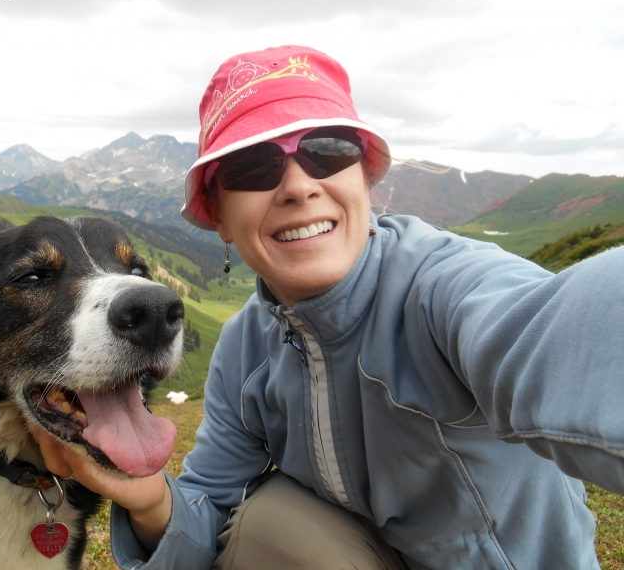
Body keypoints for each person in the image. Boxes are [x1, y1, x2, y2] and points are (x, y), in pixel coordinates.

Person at [35, 45, 624, 569]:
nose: (297, 185)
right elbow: (209, 504)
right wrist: (154, 498)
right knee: (266, 524)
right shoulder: (246, 346)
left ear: (364, 175)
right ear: (216, 215)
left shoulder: (445, 285)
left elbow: (546, 329)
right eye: (251, 166)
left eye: (328, 149)